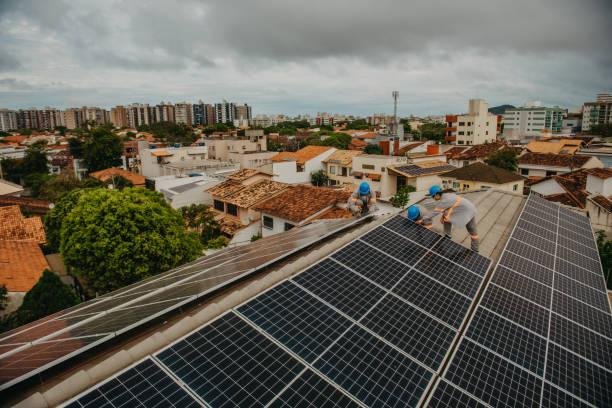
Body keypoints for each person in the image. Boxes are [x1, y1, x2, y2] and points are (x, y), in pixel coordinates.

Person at [421, 185, 479, 252]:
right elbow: (447, 208)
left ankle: (475, 249)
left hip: (467, 211)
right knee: (446, 216)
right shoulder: (446, 195)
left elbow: (435, 212)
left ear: (437, 194)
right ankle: (447, 234)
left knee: (471, 229)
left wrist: (424, 219)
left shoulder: (445, 200)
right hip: (465, 208)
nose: (433, 198)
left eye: (433, 196)